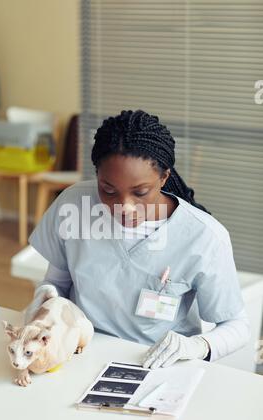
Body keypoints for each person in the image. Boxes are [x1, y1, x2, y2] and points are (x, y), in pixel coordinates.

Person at [26, 110, 250, 369]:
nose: (125, 207)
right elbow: (57, 283)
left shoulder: (203, 237)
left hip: (158, 366)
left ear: (164, 177)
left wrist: (197, 346)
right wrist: (47, 301)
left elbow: (237, 326)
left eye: (140, 192)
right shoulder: (74, 205)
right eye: (108, 190)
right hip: (80, 355)